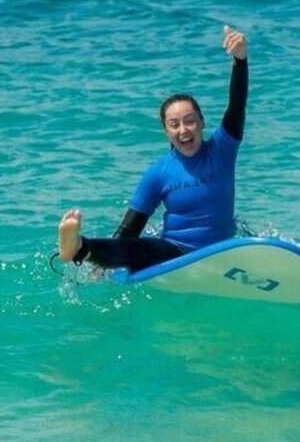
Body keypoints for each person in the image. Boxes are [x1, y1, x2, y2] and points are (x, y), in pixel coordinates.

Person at [57, 25, 248, 272]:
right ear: (166, 131)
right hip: (177, 255)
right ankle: (78, 247)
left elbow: (236, 106)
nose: (183, 130)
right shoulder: (159, 171)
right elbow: (129, 229)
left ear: (202, 122)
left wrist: (240, 60)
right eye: (174, 124)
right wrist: (105, 265)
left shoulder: (222, 150)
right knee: (143, 248)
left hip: (221, 250)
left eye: (190, 121)